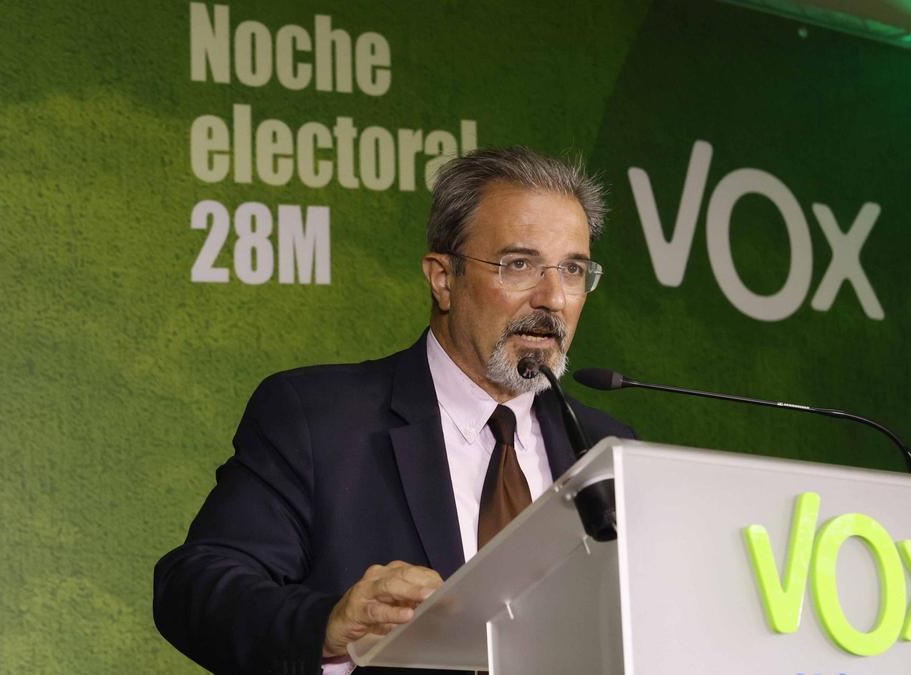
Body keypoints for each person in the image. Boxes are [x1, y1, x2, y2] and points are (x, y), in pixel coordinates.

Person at [153, 147, 635, 674]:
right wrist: (328, 624)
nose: (553, 297)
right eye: (519, 264)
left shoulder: (606, 450)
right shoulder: (320, 419)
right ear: (442, 278)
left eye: (572, 269)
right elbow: (194, 584)